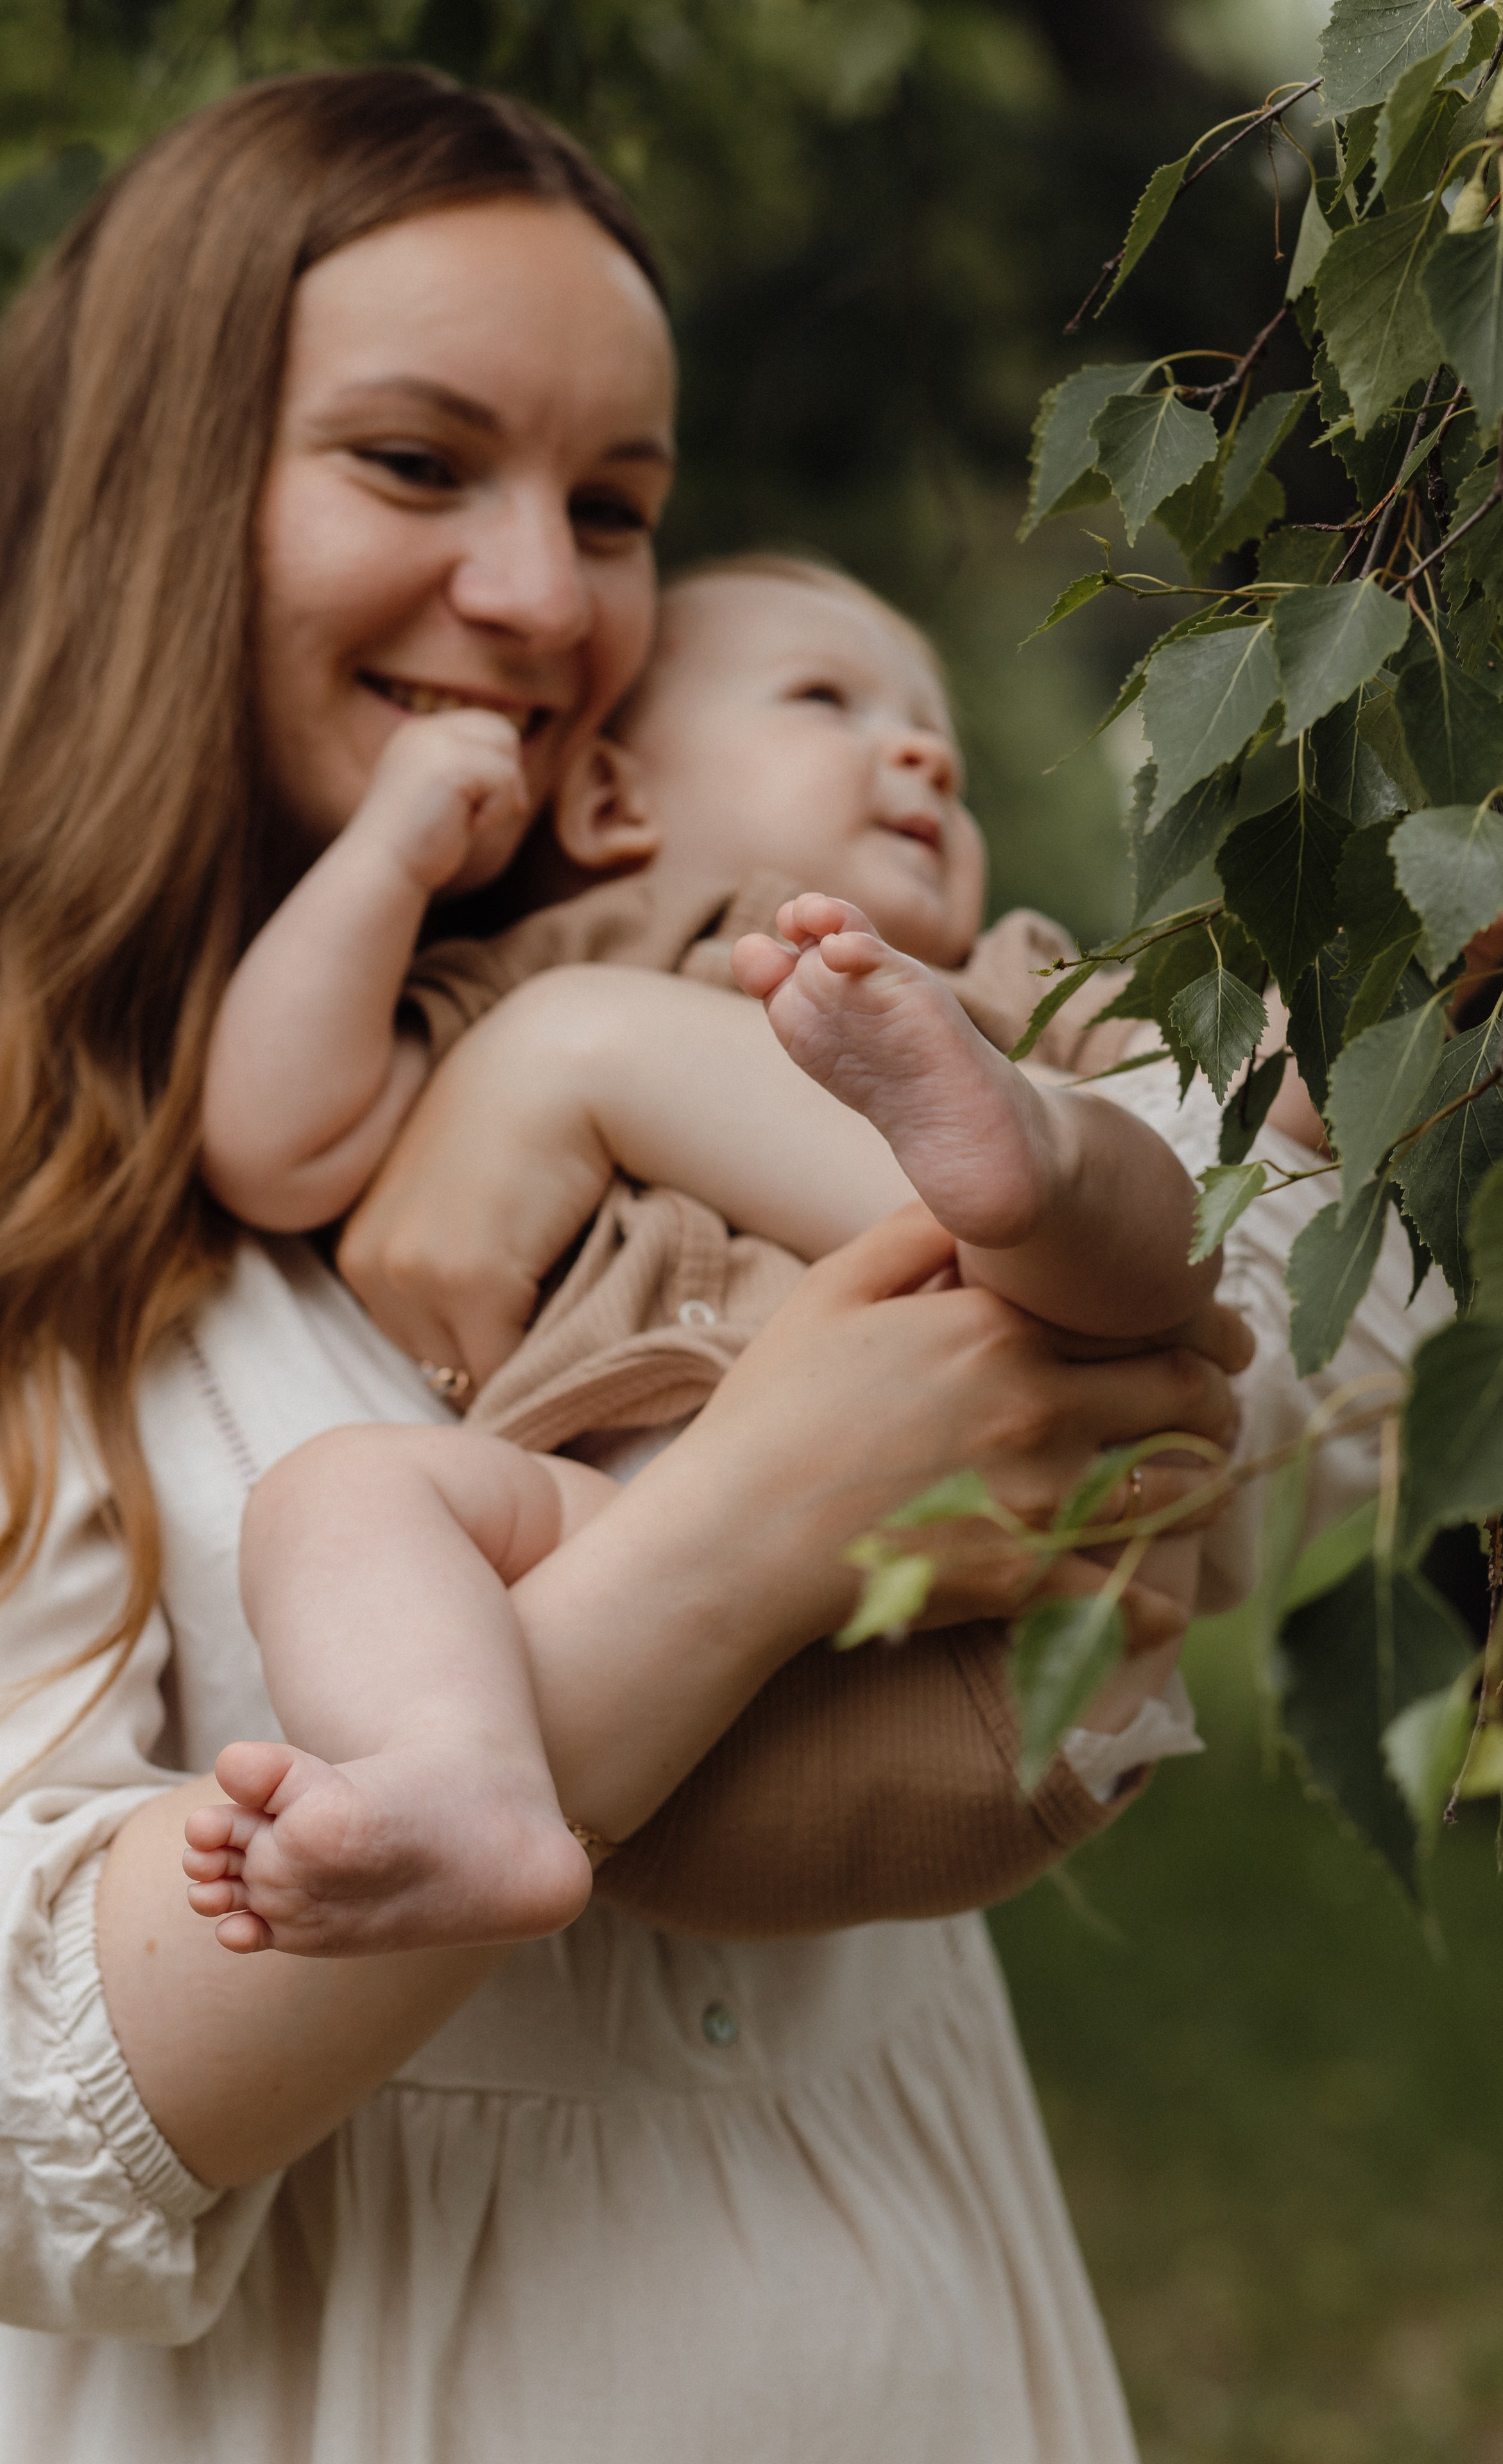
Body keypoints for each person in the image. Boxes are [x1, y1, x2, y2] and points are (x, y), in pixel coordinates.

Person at [0, 67, 1252, 2460]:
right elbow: (26, 2139)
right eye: (413, 462)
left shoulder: (709, 1002)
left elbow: (1231, 1340)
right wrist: (761, 1521)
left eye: (616, 507)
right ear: (162, 500)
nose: (543, 599)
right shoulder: (71, 1189)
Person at [189, 554, 1219, 1955]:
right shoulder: (555, 962)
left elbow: (1252, 1090)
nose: (917, 748)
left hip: (1016, 1604)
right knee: (334, 1498)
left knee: (1135, 1184)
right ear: (614, 799)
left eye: (939, 743)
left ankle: (1015, 1162)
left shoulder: (1014, 972)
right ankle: (455, 1777)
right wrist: (395, 843)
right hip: (639, 1634)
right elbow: (269, 1135)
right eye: (826, 699)